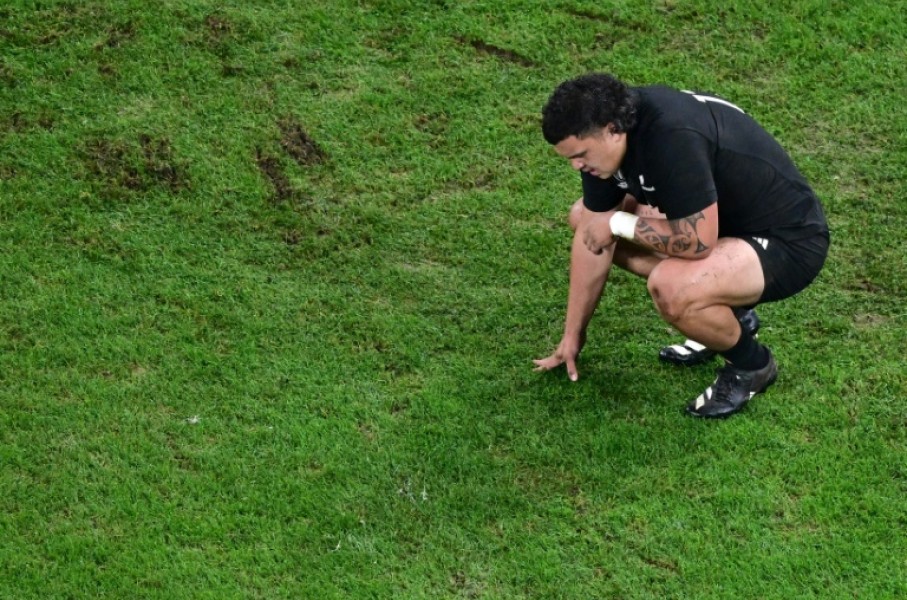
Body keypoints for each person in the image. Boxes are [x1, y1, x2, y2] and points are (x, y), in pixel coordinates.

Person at [533, 73, 829, 418]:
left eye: (580, 155)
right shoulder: (604, 140)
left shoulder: (671, 136)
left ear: (613, 129)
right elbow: (591, 238)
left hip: (788, 241)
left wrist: (619, 223)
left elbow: (699, 242)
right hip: (722, 223)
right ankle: (726, 311)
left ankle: (752, 366)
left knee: (672, 289)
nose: (576, 165)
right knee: (584, 217)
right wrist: (572, 336)